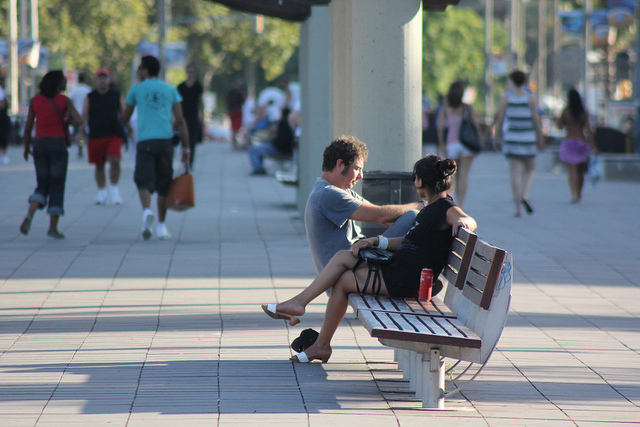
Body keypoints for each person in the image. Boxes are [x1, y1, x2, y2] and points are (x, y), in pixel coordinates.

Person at [263, 154, 477, 363]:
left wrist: (464, 224)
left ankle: (305, 316)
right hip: (400, 272)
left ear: (420, 181)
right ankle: (318, 339)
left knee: (343, 274)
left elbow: (465, 218)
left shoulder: (445, 208)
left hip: (404, 280)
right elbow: (406, 240)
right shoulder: (430, 209)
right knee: (343, 270)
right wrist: (375, 241)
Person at [305, 136, 426, 275]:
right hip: (349, 272)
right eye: (357, 169)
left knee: (412, 220)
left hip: (357, 264)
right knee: (412, 214)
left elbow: (385, 219)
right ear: (340, 165)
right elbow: (381, 215)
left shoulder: (338, 192)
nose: (361, 176)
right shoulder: (327, 194)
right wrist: (419, 206)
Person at [122, 55, 190, 240]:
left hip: (145, 141)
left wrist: (128, 128)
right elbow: (181, 120)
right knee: (164, 184)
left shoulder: (136, 89)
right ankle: (161, 226)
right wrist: (187, 148)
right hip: (166, 142)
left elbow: (125, 116)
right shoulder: (170, 90)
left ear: (144, 70)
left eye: (139, 68)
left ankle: (146, 212)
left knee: (143, 180)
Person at [20, 70, 82, 239]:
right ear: (57, 83)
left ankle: (30, 213)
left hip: (39, 145)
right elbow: (79, 120)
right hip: (57, 145)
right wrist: (66, 120)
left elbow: (28, 128)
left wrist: (26, 148)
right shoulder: (64, 100)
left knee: (42, 184)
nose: (66, 84)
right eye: (63, 81)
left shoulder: (35, 100)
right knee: (57, 184)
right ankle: (53, 228)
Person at [494, 70, 543, 217]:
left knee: (515, 173)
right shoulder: (531, 98)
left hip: (511, 139)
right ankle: (525, 195)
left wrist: (497, 138)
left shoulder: (506, 98)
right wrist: (540, 137)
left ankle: (517, 208)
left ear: (512, 81)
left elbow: (500, 119)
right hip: (528, 138)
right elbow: (536, 120)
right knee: (531, 169)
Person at [80, 68, 124, 205]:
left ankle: (114, 189)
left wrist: (130, 130)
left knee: (115, 159)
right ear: (96, 80)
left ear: (109, 80)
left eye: (105, 78)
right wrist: (80, 133)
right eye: (100, 78)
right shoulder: (90, 96)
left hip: (113, 134)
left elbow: (124, 113)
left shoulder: (117, 95)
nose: (102, 80)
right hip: (95, 134)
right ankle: (101, 191)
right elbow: (84, 115)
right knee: (99, 165)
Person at [437, 81, 480, 207]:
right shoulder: (467, 108)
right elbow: (476, 126)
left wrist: (442, 145)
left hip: (452, 145)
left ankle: (451, 202)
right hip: (466, 145)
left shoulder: (446, 108)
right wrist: (479, 141)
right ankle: (460, 205)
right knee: (463, 175)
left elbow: (440, 128)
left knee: (451, 176)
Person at [557, 88, 598, 203]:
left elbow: (559, 126)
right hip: (580, 142)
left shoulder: (566, 111)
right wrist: (594, 145)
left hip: (568, 142)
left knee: (572, 171)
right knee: (580, 171)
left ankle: (574, 194)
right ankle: (579, 193)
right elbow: (589, 130)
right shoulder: (584, 112)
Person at [248, 107, 295, 175]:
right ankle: (259, 167)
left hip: (277, 148)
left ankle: (257, 169)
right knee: (257, 149)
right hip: (282, 148)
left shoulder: (282, 124)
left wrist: (272, 141)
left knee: (253, 150)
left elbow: (280, 141)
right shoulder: (289, 125)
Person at [177, 63, 204, 169]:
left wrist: (201, 114)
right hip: (182, 115)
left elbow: (201, 101)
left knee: (192, 138)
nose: (190, 74)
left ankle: (190, 161)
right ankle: (184, 160)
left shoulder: (198, 86)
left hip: (193, 115)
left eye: (192, 71)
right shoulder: (181, 87)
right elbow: (177, 102)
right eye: (188, 71)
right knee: (183, 137)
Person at [69, 72, 92, 158]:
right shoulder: (88, 90)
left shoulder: (74, 90)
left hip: (76, 114)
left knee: (79, 132)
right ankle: (80, 146)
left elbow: (71, 101)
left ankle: (80, 148)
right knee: (83, 133)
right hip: (86, 114)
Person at [226, 77, 245, 149]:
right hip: (236, 111)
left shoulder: (230, 91)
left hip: (232, 110)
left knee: (234, 127)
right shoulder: (238, 92)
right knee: (236, 127)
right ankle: (234, 142)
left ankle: (234, 142)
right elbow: (242, 101)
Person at [0, 79, 9, 164]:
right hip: (2, 117)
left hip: (3, 117)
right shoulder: (1, 91)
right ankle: (3, 154)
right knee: (3, 136)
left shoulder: (2, 91)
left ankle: (3, 154)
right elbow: (3, 105)